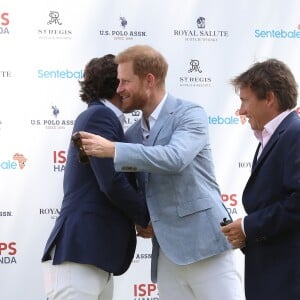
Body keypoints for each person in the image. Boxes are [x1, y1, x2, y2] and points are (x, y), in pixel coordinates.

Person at [79, 45, 243, 300]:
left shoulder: (190, 114)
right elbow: (139, 188)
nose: (118, 88)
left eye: (125, 81)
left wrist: (114, 150)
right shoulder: (131, 134)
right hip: (166, 257)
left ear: (149, 81)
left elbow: (175, 158)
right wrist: (142, 218)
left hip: (205, 245)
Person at [41, 54, 150, 300]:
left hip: (93, 255)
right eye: (130, 80)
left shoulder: (105, 118)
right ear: (117, 84)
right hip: (81, 252)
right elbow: (111, 181)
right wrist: (145, 218)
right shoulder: (99, 116)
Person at [221, 58, 300, 300]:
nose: (242, 110)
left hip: (288, 279)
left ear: (270, 98)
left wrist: (248, 227)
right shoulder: (273, 136)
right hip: (272, 274)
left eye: (245, 100)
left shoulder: (295, 134)